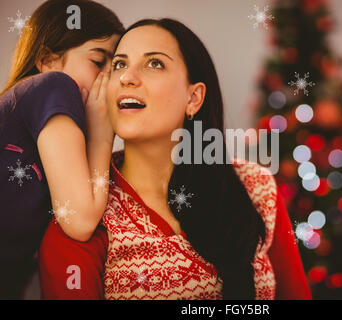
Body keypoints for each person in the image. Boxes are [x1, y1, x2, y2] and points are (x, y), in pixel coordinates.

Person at [39, 18, 311, 300]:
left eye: (154, 63)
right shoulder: (80, 220)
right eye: (119, 64)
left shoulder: (255, 186)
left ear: (193, 98)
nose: (126, 77)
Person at [0, 0, 124, 299]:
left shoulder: (25, 102)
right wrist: (102, 136)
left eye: (117, 66)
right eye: (98, 61)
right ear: (47, 60)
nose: (111, 79)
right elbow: (80, 221)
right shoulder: (54, 85)